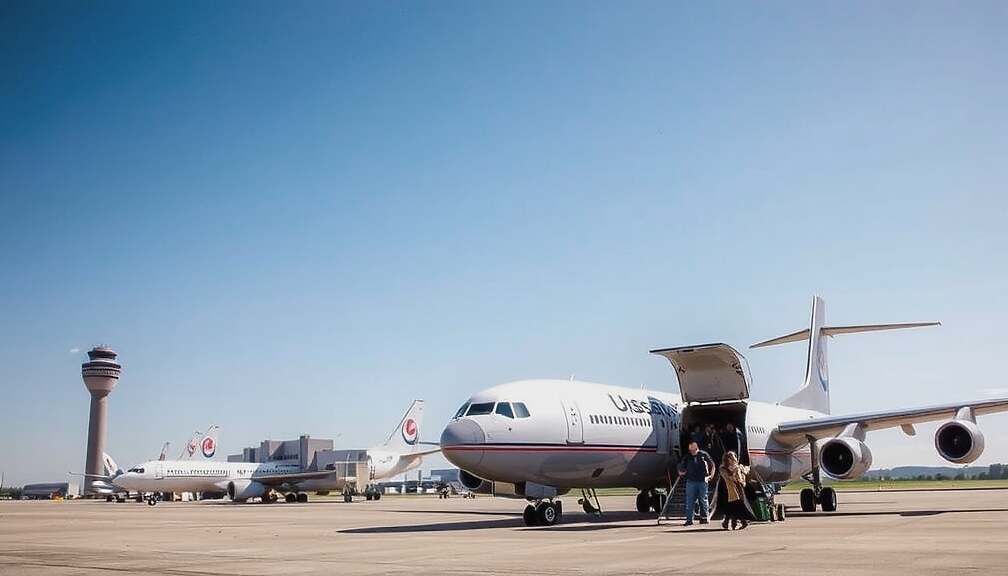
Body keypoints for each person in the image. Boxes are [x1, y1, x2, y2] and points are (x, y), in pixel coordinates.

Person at [678, 440, 715, 526]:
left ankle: (704, 517)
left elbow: (712, 465)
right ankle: (689, 519)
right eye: (690, 450)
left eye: (692, 450)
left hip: (702, 481)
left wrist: (711, 476)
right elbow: (681, 466)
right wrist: (681, 472)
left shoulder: (703, 455)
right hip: (691, 481)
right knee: (690, 501)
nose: (691, 452)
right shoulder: (687, 457)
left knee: (703, 500)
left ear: (696, 448)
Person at [718, 450, 750, 530]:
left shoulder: (738, 467)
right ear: (728, 459)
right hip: (726, 489)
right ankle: (736, 522)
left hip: (737, 489)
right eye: (732, 458)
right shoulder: (723, 469)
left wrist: (741, 471)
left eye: (734, 457)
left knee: (735, 505)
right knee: (732, 506)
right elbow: (729, 478)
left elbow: (741, 477)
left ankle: (734, 522)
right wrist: (734, 471)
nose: (734, 459)